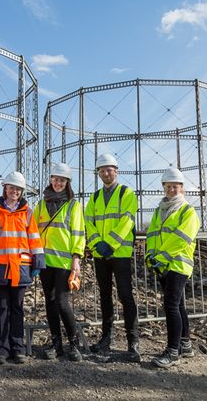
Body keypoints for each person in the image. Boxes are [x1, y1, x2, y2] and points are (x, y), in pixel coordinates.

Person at [0, 171, 45, 365]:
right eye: (11, 188)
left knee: (17, 308)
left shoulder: (28, 213)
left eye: (18, 189)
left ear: (21, 191)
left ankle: (18, 348)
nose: (14, 191)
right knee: (2, 308)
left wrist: (38, 262)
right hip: (0, 267)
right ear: (5, 189)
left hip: (22, 267)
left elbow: (34, 238)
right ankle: (0, 348)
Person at [85, 153, 140, 362]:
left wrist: (110, 243)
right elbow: (88, 221)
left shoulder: (127, 193)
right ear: (98, 173)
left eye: (109, 169)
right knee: (105, 297)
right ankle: (106, 339)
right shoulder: (95, 197)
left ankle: (132, 342)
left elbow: (127, 220)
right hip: (100, 254)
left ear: (116, 171)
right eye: (102, 170)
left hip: (120, 254)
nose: (106, 173)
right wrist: (97, 243)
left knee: (126, 296)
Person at [146, 167, 200, 368]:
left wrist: (160, 257)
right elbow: (152, 234)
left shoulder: (188, 212)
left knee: (170, 305)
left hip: (178, 264)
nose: (171, 189)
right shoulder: (160, 210)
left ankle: (172, 351)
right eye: (168, 186)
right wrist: (150, 255)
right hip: (163, 263)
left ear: (182, 188)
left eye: (175, 186)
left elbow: (181, 240)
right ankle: (185, 344)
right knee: (179, 305)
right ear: (164, 187)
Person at [34, 163, 85, 362]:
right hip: (45, 262)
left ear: (67, 183)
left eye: (61, 180)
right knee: (50, 302)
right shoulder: (41, 204)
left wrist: (76, 258)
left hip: (64, 263)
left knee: (63, 303)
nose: (57, 183)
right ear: (51, 180)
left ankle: (74, 343)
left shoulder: (73, 205)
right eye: (55, 179)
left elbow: (78, 233)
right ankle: (56, 343)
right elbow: (34, 231)